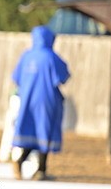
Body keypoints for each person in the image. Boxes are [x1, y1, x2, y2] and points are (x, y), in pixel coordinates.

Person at [11, 25, 70, 180]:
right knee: (44, 132)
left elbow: (16, 78)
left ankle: (21, 161)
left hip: (28, 99)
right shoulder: (51, 57)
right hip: (47, 100)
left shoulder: (26, 56)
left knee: (31, 130)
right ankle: (41, 170)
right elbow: (63, 76)